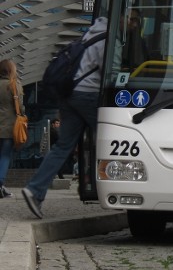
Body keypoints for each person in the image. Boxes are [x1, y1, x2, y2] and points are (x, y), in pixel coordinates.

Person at [22, 17, 108, 218]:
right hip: (88, 95)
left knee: (63, 146)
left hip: (68, 94)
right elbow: (108, 72)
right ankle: (115, 185)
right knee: (109, 137)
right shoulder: (107, 38)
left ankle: (34, 190)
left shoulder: (90, 33)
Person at [0, 59, 24, 198]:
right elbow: (20, 107)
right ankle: (0, 184)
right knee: (4, 155)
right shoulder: (14, 84)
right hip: (9, 128)